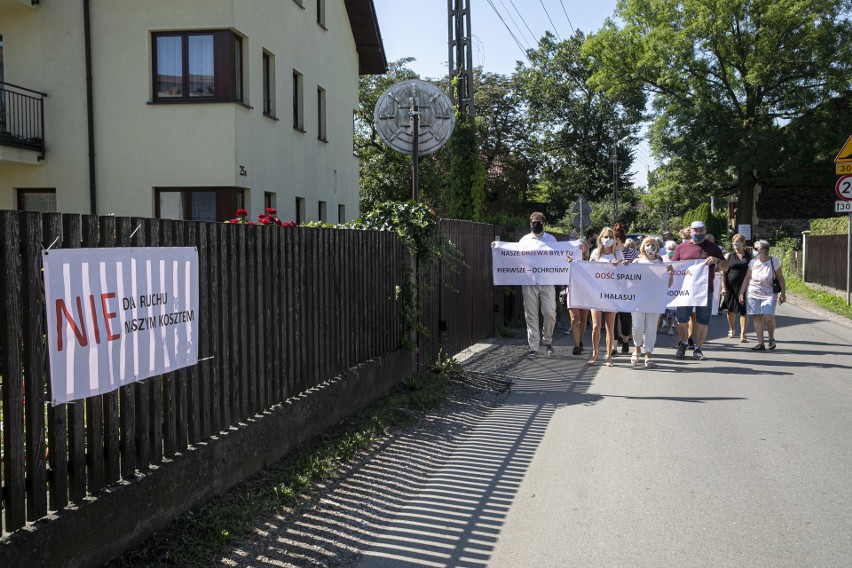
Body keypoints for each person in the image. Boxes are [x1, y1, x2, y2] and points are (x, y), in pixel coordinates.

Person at [672, 221, 728, 360]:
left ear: (705, 230)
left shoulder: (713, 247)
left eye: (700, 230)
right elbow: (673, 266)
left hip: (705, 289)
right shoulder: (682, 247)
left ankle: (698, 348)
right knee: (681, 319)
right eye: (695, 230)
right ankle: (684, 342)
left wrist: (717, 260)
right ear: (690, 231)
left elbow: (725, 267)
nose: (698, 233)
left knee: (703, 320)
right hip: (684, 290)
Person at [586, 227, 627, 366]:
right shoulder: (595, 254)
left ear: (614, 239)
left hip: (613, 294)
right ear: (601, 239)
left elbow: (624, 274)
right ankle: (595, 353)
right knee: (596, 326)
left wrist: (619, 265)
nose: (608, 239)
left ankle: (609, 356)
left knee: (610, 327)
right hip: (597, 294)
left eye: (610, 237)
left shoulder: (618, 254)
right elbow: (587, 271)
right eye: (605, 237)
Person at [520, 212, 557, 358]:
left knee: (549, 313)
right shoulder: (524, 240)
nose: (536, 224)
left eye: (539, 222)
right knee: (531, 315)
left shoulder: (551, 239)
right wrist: (497, 248)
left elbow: (558, 257)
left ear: (544, 223)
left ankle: (547, 340)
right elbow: (515, 257)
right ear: (530, 223)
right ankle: (533, 347)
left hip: (547, 281)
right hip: (529, 281)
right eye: (533, 222)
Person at [633, 237, 673, 367]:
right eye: (648, 244)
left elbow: (669, 284)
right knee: (638, 327)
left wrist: (671, 274)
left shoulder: (662, 264)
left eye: (653, 245)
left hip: (654, 301)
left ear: (658, 248)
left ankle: (648, 354)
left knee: (651, 328)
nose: (650, 247)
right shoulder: (636, 262)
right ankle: (637, 347)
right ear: (643, 247)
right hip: (638, 301)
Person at [739, 240, 786, 350]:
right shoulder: (753, 262)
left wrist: (783, 293)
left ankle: (771, 338)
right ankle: (761, 343)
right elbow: (747, 278)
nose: (754, 251)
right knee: (756, 316)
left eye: (756, 249)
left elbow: (780, 278)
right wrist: (741, 293)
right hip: (752, 293)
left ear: (763, 251)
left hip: (769, 293)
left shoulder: (774, 261)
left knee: (768, 316)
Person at [720, 233, 752, 342]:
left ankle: (743, 334)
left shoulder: (749, 256)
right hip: (730, 287)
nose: (735, 243)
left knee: (744, 310)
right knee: (731, 310)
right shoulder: (728, 256)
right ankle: (731, 329)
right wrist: (723, 287)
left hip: (745, 287)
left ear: (743, 243)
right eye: (734, 241)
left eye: (737, 241)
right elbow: (723, 273)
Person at [613, 224, 636, 355]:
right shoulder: (611, 253)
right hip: (613, 289)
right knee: (612, 318)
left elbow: (638, 269)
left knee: (625, 317)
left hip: (627, 290)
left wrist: (629, 265)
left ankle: (626, 341)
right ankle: (614, 346)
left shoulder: (631, 253)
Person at [658, 239, 678, 335]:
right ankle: (660, 325)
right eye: (669, 248)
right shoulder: (661, 259)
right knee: (661, 309)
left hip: (673, 287)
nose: (671, 250)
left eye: (673, 248)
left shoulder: (678, 260)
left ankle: (670, 328)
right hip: (662, 287)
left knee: (672, 310)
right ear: (665, 249)